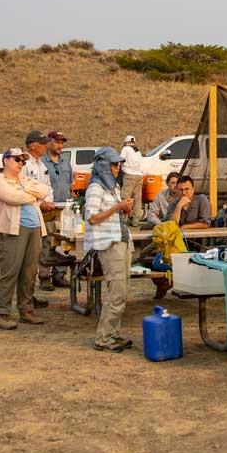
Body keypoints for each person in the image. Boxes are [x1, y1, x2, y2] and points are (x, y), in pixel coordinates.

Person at [0, 148, 48, 329]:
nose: (21, 163)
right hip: (10, 230)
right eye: (17, 159)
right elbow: (12, 197)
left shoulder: (24, 179)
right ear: (5, 160)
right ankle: (1, 313)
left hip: (34, 228)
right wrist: (32, 196)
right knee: (10, 271)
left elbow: (44, 190)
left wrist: (30, 193)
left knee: (30, 271)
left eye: (23, 160)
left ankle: (26, 310)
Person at [83, 148, 136, 352]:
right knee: (116, 292)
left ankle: (113, 334)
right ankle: (104, 337)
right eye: (114, 164)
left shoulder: (112, 186)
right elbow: (92, 217)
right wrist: (117, 207)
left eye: (119, 164)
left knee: (122, 291)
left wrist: (124, 208)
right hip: (109, 244)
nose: (118, 167)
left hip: (121, 240)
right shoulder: (96, 187)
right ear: (103, 165)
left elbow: (112, 215)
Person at [20, 130, 56, 307]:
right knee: (28, 259)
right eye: (42, 143)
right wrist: (40, 202)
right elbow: (24, 188)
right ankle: (26, 298)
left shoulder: (41, 165)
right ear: (32, 145)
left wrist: (48, 201)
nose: (45, 146)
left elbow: (47, 187)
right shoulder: (24, 164)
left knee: (39, 252)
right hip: (28, 214)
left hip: (42, 213)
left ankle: (29, 296)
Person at [38, 130, 74, 291]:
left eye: (62, 142)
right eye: (57, 142)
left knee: (65, 241)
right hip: (47, 208)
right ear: (49, 142)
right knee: (46, 242)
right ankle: (45, 276)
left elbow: (69, 183)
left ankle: (60, 274)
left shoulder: (66, 163)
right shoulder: (41, 163)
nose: (60, 145)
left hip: (64, 209)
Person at [119, 134, 147, 227]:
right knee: (137, 199)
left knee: (125, 198)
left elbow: (120, 159)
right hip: (139, 176)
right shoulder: (137, 150)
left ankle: (122, 220)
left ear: (126, 142)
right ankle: (135, 220)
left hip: (129, 176)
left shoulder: (126, 149)